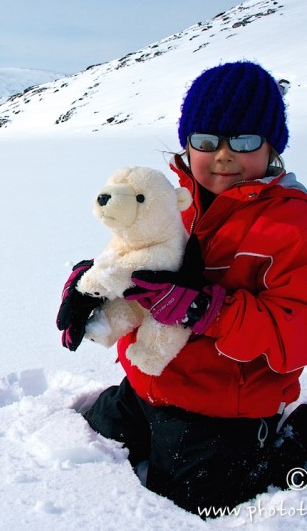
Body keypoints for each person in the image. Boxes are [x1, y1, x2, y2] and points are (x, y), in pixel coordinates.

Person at [56, 61, 307, 516]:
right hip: (147, 384)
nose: (224, 155)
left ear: (273, 146)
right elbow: (130, 257)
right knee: (81, 437)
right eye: (207, 141)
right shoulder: (169, 205)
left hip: (225, 407)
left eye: (245, 140)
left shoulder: (293, 225)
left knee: (198, 505)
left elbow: (296, 332)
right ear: (188, 144)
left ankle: (291, 449)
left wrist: (206, 310)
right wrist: (88, 283)